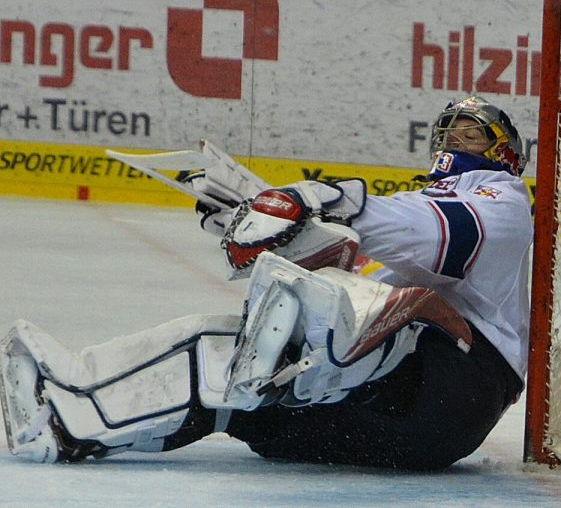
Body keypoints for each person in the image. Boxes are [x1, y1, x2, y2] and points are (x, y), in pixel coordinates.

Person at [0, 96, 533, 470]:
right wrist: (260, 226)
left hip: (455, 390)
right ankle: (67, 424)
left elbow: (421, 228)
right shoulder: (440, 214)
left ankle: (320, 373)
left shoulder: (502, 200)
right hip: (404, 430)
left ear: (504, 151)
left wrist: (320, 200)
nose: (454, 140)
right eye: (447, 132)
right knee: (227, 372)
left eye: (471, 134)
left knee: (347, 311)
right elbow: (353, 269)